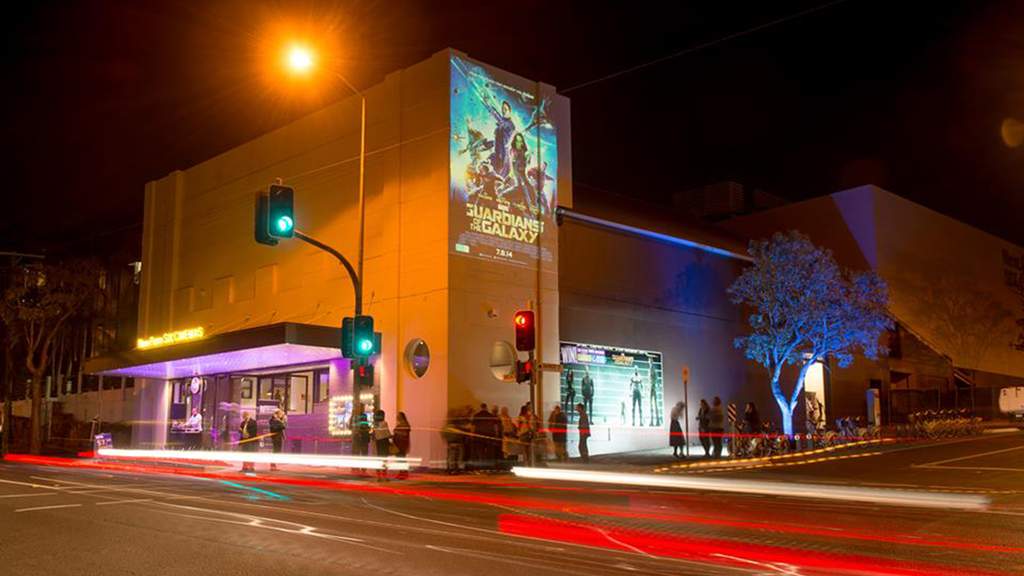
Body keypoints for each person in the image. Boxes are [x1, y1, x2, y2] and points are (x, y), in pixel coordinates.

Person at [472, 403, 498, 469]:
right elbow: (495, 426)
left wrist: (472, 434)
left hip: (479, 435)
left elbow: (473, 426)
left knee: (480, 451)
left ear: (481, 407)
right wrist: (496, 434)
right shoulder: (491, 416)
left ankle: (482, 465)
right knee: (490, 451)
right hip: (489, 435)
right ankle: (489, 466)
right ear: (486, 408)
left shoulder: (476, 415)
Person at [372, 410, 392, 481]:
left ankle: (379, 477)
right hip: (384, 443)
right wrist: (391, 436)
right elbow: (387, 433)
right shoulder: (384, 423)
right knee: (384, 460)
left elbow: (374, 434)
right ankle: (385, 476)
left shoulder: (375, 424)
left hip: (377, 443)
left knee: (378, 460)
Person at [393, 411, 411, 479]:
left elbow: (404, 434)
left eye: (398, 416)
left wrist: (396, 431)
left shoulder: (405, 424)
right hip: (398, 444)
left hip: (402, 445)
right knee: (400, 459)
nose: (397, 417)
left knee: (401, 459)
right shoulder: (401, 424)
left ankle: (403, 473)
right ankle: (402, 473)